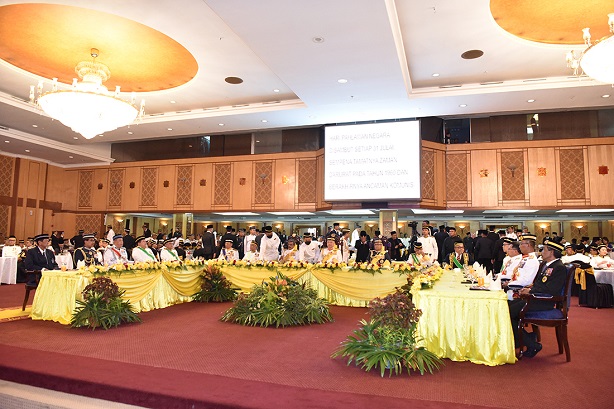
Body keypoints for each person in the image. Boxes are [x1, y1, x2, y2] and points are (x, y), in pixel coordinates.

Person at [508, 240, 567, 358]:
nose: (541, 252)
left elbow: (551, 290)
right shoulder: (546, 265)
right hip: (535, 298)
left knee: (508, 313)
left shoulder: (559, 267)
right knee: (506, 307)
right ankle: (526, 339)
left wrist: (530, 291)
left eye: (544, 250)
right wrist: (528, 289)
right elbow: (539, 284)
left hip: (544, 301)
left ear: (551, 252)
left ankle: (531, 344)